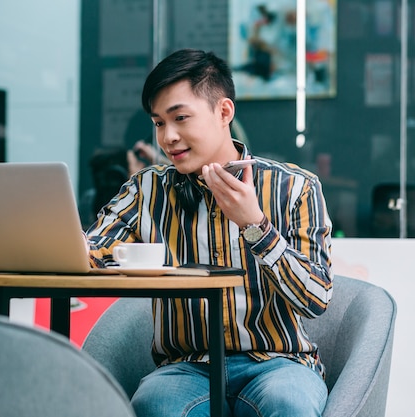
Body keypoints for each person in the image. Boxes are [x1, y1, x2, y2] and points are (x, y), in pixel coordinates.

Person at [85, 48, 333, 417]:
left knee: (289, 404)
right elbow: (91, 249)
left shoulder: (295, 187)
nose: (168, 137)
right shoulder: (147, 190)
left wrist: (256, 226)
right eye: (157, 123)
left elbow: (315, 299)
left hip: (281, 362)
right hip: (186, 365)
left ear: (224, 112)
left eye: (180, 117)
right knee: (156, 406)